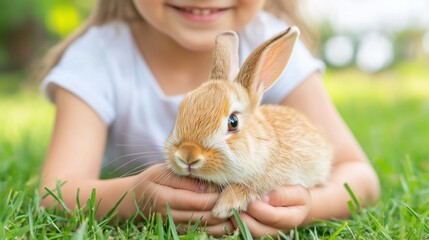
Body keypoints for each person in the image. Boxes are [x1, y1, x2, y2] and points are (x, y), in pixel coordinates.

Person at [39, 0, 380, 237]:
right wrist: (133, 198)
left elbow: (360, 178)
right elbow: (53, 194)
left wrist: (306, 208)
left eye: (231, 124)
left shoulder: (268, 35)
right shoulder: (96, 57)